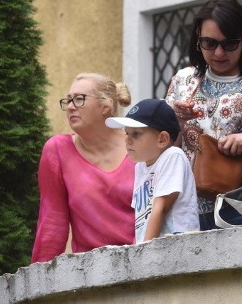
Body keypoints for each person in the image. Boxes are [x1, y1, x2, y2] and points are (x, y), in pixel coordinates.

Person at [165, 0, 242, 230]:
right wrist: (176, 121)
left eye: (229, 44)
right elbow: (166, 149)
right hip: (187, 206)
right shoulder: (183, 81)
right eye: (209, 43)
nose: (219, 52)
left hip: (241, 206)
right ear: (197, 39)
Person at [32, 73, 135, 262]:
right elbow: (52, 223)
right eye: (68, 100)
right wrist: (40, 285)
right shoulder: (57, 150)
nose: (70, 107)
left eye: (79, 99)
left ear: (106, 106)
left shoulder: (139, 145)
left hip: (142, 265)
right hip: (89, 273)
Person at [106, 99, 199, 243]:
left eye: (136, 134)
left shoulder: (173, 156)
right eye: (127, 133)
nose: (127, 140)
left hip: (177, 250)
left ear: (162, 139)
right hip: (153, 252)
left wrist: (144, 253)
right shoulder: (140, 167)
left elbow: (160, 208)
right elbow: (141, 219)